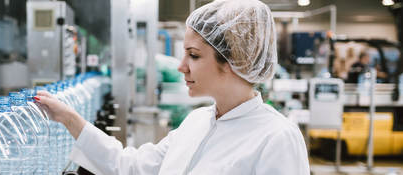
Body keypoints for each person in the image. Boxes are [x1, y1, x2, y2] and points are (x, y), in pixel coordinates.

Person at [34, 0, 310, 174]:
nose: (181, 66)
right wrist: (68, 118)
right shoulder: (197, 122)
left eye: (194, 55)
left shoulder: (276, 138)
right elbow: (132, 167)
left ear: (232, 61)